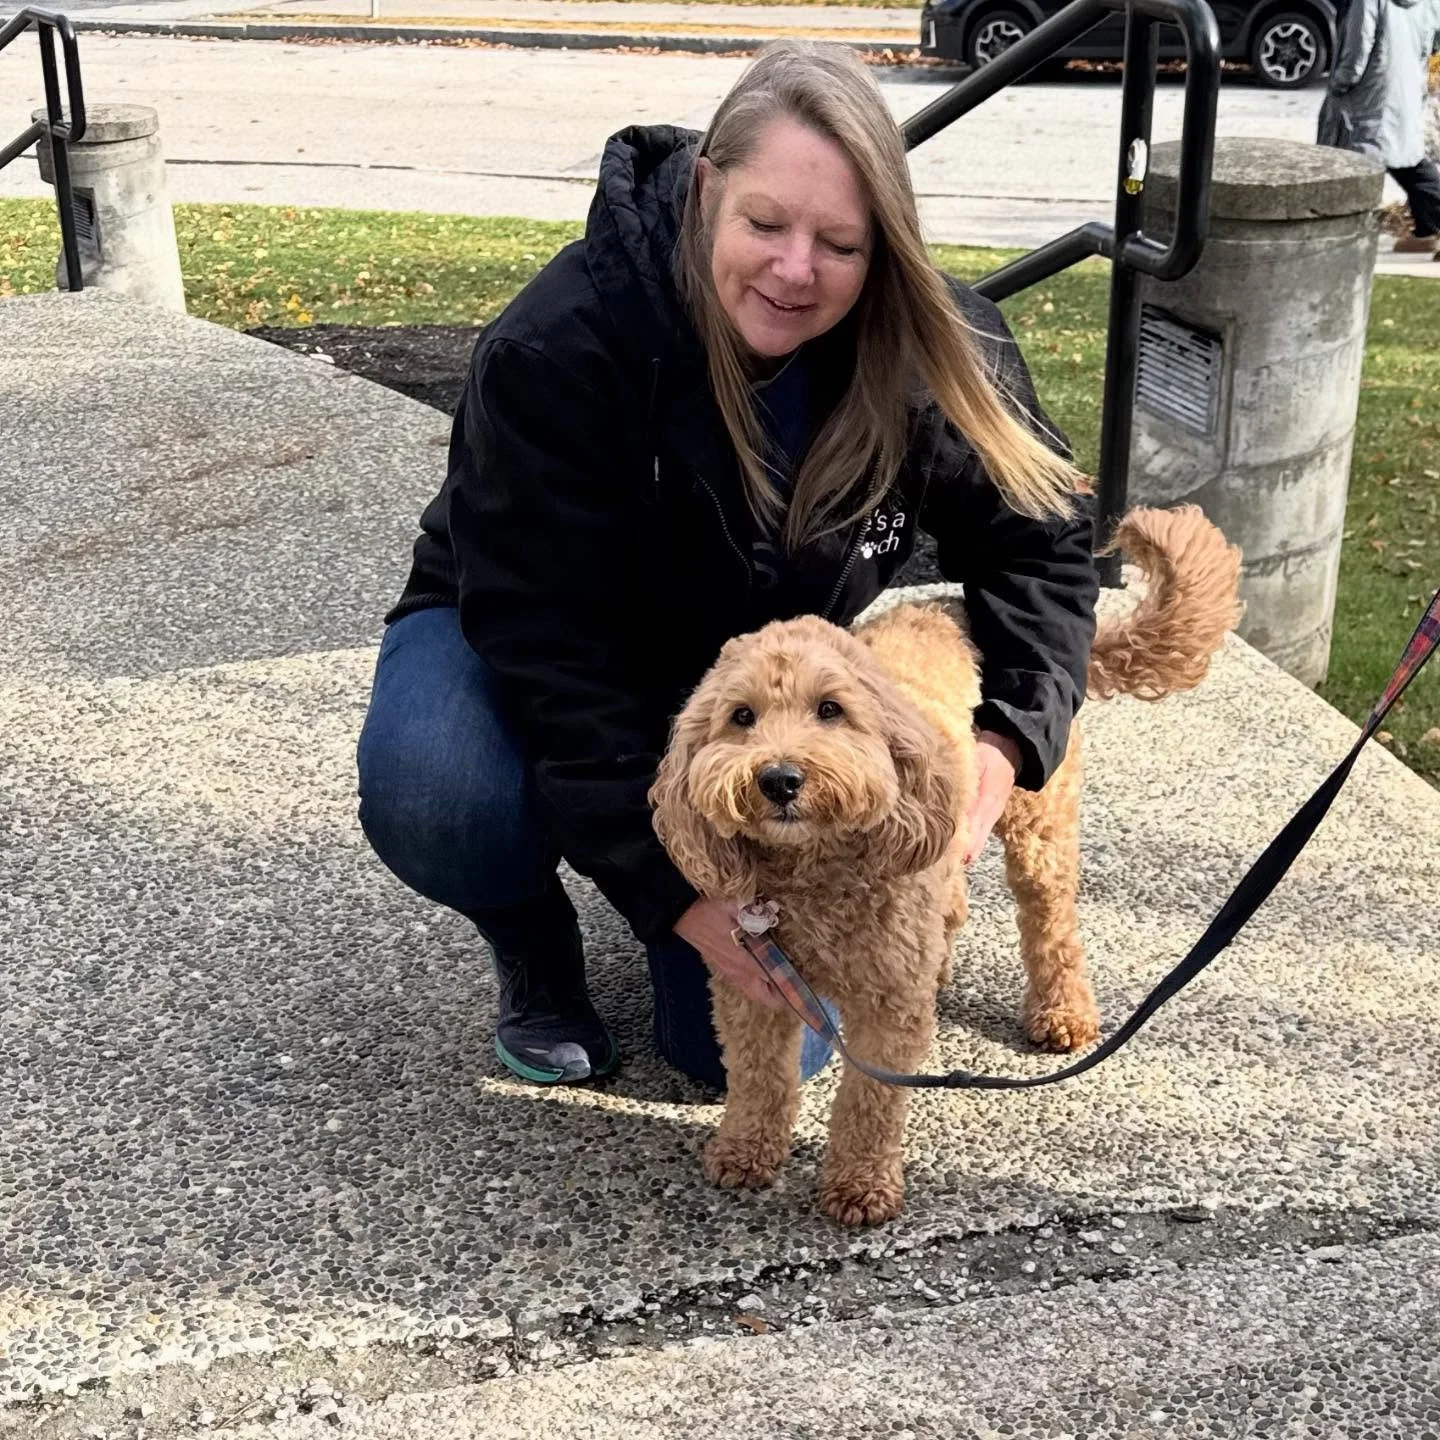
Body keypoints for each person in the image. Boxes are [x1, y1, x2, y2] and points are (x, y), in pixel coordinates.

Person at [356, 40, 1099, 1091]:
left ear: (883, 241)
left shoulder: (934, 349)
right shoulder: (558, 348)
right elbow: (547, 647)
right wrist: (676, 901)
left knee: (736, 1058)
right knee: (440, 790)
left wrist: (1009, 740)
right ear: (708, 191)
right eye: (766, 224)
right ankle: (530, 934)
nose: (797, 271)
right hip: (536, 624)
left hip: (762, 691)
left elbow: (1043, 542)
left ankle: (703, 873)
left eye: (840, 243)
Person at [1318, 0, 1440, 255]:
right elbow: (1433, 41)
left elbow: (1358, 47)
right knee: (1405, 160)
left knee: (1352, 164)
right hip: (1405, 86)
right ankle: (1426, 231)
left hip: (1370, 92)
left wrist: (1341, 82)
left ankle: (1339, 237)